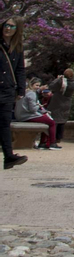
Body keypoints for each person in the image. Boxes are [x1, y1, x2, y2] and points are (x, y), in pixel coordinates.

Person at [0, 18, 22, 167]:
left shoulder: (17, 47)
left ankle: (9, 156)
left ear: (16, 29)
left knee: (4, 124)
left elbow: (20, 69)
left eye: (12, 26)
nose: (8, 28)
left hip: (7, 90)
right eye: (6, 25)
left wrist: (21, 89)